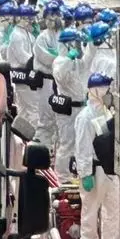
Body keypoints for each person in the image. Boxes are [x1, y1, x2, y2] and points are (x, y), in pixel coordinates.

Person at [76, 72, 117, 239]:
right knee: (90, 211)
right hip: (94, 169)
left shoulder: (107, 112)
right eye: (106, 89)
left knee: (113, 209)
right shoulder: (85, 117)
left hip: (110, 168)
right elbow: (82, 147)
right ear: (97, 90)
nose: (109, 92)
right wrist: (85, 174)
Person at [52, 27, 91, 184]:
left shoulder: (78, 62)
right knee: (67, 143)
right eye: (76, 43)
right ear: (67, 44)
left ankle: (75, 173)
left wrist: (92, 43)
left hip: (81, 107)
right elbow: (60, 76)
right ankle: (62, 177)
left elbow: (88, 60)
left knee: (80, 142)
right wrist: (69, 58)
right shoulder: (60, 61)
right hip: (67, 110)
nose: (78, 46)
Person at [32, 1, 62, 151]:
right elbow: (45, 58)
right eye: (49, 17)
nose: (52, 20)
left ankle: (53, 150)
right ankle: (41, 150)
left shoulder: (62, 35)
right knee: (45, 118)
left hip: (60, 81)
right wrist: (61, 59)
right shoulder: (42, 38)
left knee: (59, 119)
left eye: (55, 16)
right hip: (46, 81)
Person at [7, 3, 39, 131]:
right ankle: (33, 133)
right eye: (28, 18)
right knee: (32, 107)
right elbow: (22, 58)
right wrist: (38, 64)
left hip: (26, 73)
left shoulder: (28, 34)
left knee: (25, 107)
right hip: (21, 73)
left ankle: (22, 132)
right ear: (19, 18)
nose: (30, 21)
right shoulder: (16, 36)